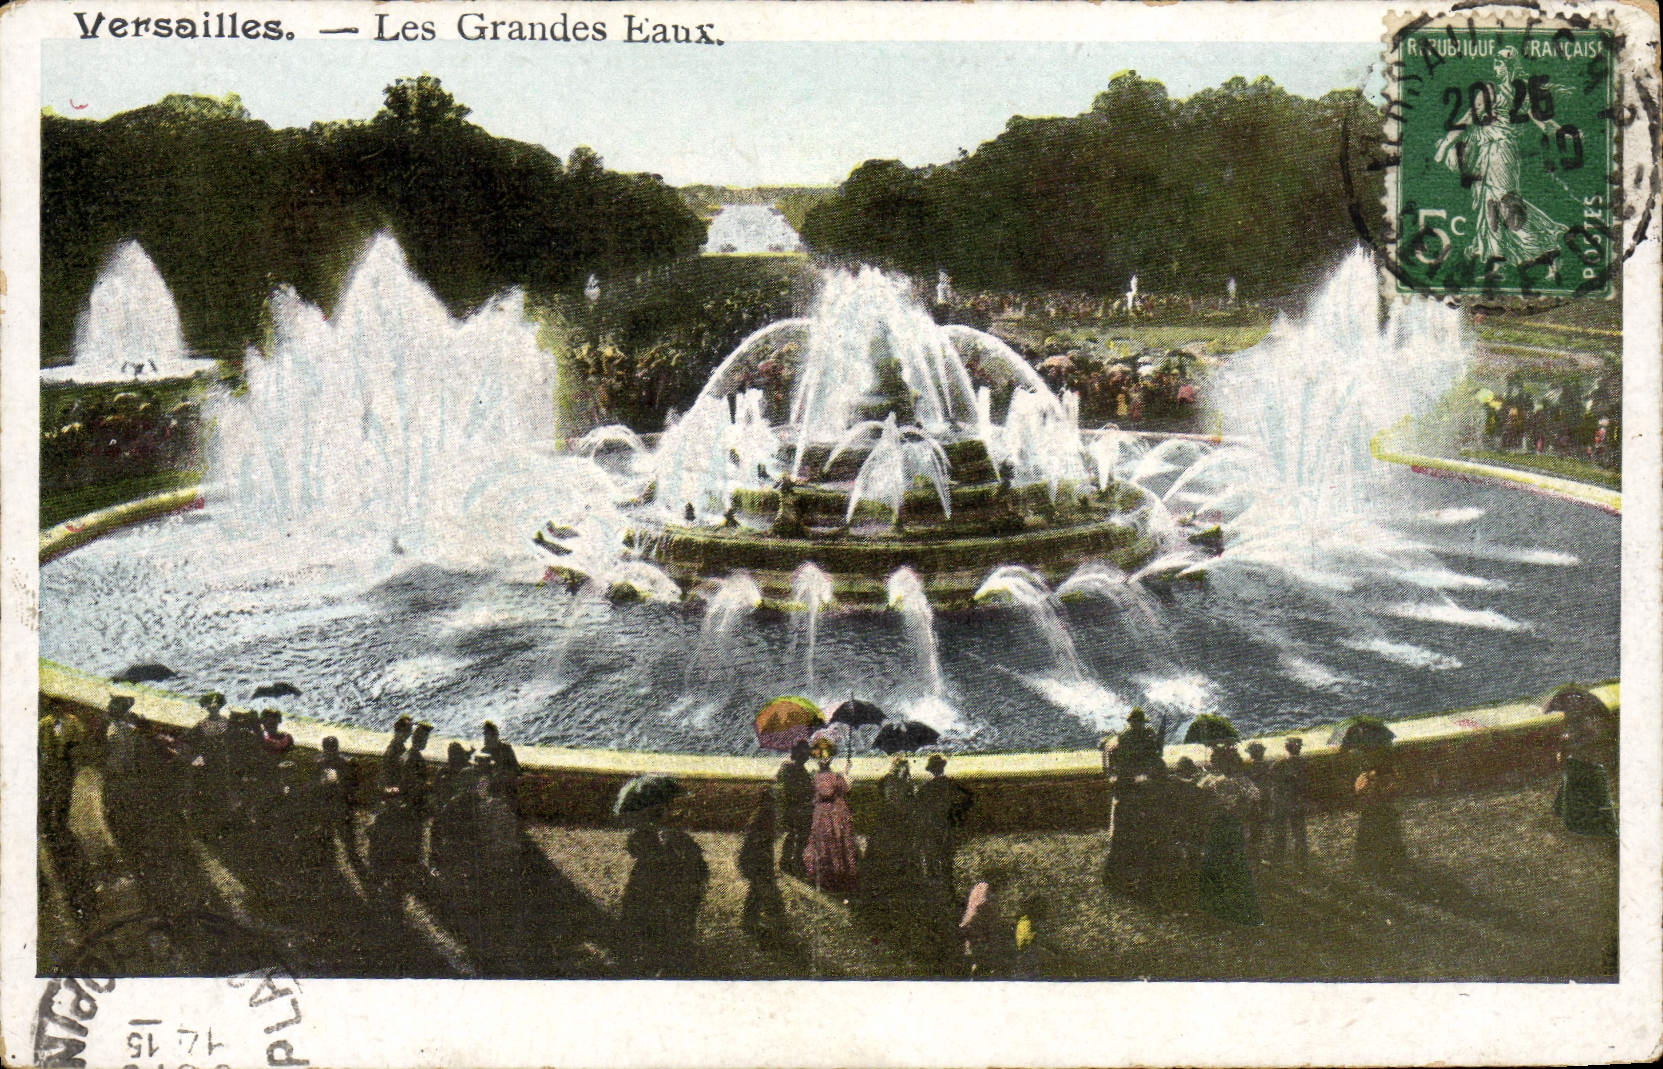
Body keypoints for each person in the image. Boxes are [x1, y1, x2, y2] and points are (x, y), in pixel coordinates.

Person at [1196, 746, 1263, 925]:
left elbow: (1252, 801)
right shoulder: (1233, 781)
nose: (1212, 763)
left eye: (1215, 761)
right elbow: (1254, 800)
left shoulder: (1217, 781)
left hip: (1227, 826)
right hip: (1228, 825)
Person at [1101, 708, 1165, 894]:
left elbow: (1109, 768)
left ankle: (1117, 877)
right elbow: (1154, 764)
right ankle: (1131, 877)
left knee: (1123, 837)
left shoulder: (1119, 740)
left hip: (1124, 793)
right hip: (1135, 795)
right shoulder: (1142, 740)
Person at [802, 737, 858, 894]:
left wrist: (844, 776)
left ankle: (829, 877)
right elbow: (840, 790)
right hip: (833, 813)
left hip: (825, 813)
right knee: (834, 840)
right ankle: (837, 876)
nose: (824, 760)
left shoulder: (816, 777)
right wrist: (846, 776)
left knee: (826, 841)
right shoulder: (833, 777)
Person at [737, 786, 787, 942]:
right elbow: (762, 840)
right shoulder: (765, 816)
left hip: (755, 859)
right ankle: (774, 922)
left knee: (757, 890)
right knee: (764, 890)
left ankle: (750, 920)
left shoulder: (760, 814)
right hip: (757, 859)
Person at [914, 754, 973, 886]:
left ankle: (935, 892)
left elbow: (918, 811)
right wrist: (958, 817)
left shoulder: (925, 789)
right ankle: (948, 889)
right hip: (948, 829)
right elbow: (967, 800)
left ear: (931, 771)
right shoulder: (952, 785)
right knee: (947, 863)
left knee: (932, 864)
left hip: (931, 831)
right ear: (942, 768)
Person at [1354, 755, 1408, 878]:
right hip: (1372, 810)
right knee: (1372, 832)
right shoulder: (1366, 777)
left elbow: (1394, 789)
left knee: (1388, 833)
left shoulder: (1388, 776)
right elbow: (1360, 791)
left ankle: (1391, 861)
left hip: (1383, 809)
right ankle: (1370, 863)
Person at [774, 739, 814, 878]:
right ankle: (792, 862)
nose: (808, 757)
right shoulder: (794, 769)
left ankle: (788, 861)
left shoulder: (786, 767)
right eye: (806, 754)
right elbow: (801, 790)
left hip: (791, 808)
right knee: (798, 836)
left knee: (793, 836)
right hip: (797, 808)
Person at [1268, 737, 1310, 865]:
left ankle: (1278, 859)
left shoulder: (1278, 764)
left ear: (1286, 749)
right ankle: (1301, 862)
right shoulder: (1305, 764)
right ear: (1300, 749)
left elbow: (1273, 784)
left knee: (1280, 832)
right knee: (1299, 834)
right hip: (1297, 801)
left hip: (1282, 802)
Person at [1242, 740, 1272, 864]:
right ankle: (1257, 854)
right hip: (1265, 800)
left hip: (1254, 802)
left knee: (1253, 828)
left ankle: (1253, 854)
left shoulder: (1249, 769)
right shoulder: (1268, 766)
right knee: (1260, 828)